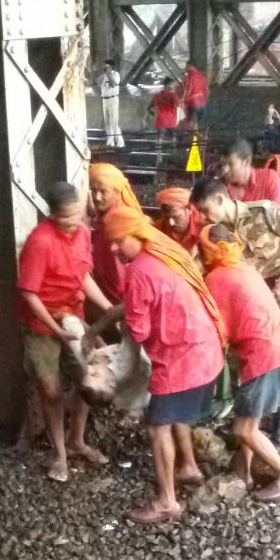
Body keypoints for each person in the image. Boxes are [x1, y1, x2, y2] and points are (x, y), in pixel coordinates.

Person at [103, 205, 225, 524]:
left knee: (158, 427)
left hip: (181, 360)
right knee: (175, 417)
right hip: (207, 350)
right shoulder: (165, 250)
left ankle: (167, 501)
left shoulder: (139, 271)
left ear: (135, 234)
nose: (114, 248)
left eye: (118, 241)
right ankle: (189, 467)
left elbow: (140, 330)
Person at [191, 177, 280, 451]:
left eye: (206, 210)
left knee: (277, 358)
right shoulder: (217, 233)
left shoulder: (263, 211)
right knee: (245, 363)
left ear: (220, 199)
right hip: (252, 304)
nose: (203, 217)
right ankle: (250, 421)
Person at [17, 181, 115, 483]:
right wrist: (55, 330)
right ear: (52, 214)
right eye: (65, 217)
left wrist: (109, 308)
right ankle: (59, 454)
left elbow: (83, 276)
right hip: (41, 324)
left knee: (86, 378)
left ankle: (77, 441)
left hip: (74, 316)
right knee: (51, 392)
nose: (73, 221)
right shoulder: (40, 242)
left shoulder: (83, 233)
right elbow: (29, 294)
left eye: (76, 215)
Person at [199, 224, 280, 502]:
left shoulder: (216, 279)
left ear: (207, 252)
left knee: (243, 428)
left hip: (265, 355)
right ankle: (244, 473)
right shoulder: (245, 269)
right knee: (249, 420)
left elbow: (215, 329)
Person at [88, 162, 142, 305]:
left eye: (103, 192)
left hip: (121, 299)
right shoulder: (102, 215)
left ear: (117, 192)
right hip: (107, 295)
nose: (97, 197)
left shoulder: (123, 220)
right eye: (94, 190)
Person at [219, 138, 280, 208]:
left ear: (246, 162)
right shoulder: (222, 188)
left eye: (230, 164)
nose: (225, 170)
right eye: (223, 165)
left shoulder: (268, 178)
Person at [154, 187, 204, 257]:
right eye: (166, 218)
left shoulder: (204, 230)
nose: (171, 223)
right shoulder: (157, 230)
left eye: (175, 217)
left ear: (190, 209)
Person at [98, 60, 124, 149]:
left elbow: (113, 84)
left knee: (114, 122)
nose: (105, 68)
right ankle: (110, 142)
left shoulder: (115, 74)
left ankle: (120, 143)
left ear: (111, 67)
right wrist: (104, 74)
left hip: (113, 99)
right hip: (104, 100)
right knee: (107, 122)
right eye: (104, 66)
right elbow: (98, 82)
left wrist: (109, 74)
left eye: (107, 66)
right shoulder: (103, 76)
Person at [180, 61, 209, 131]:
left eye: (186, 66)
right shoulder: (202, 76)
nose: (185, 68)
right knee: (195, 123)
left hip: (193, 103)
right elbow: (207, 90)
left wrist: (183, 100)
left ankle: (192, 135)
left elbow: (188, 89)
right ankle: (196, 136)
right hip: (202, 104)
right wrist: (205, 101)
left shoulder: (190, 75)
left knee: (190, 124)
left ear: (190, 66)